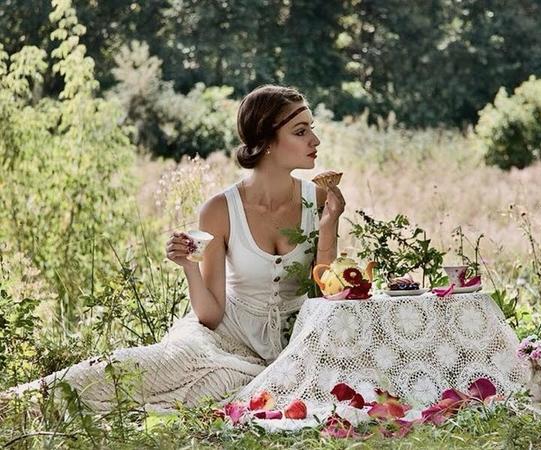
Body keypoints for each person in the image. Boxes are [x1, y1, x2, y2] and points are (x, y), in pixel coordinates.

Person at [5, 85, 346, 412]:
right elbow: (210, 315)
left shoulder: (317, 200)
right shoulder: (219, 210)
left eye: (311, 129)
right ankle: (22, 401)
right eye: (301, 131)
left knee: (214, 391)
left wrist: (329, 227)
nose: (315, 140)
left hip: (294, 350)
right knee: (161, 366)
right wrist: (188, 266)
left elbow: (324, 297)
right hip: (225, 342)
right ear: (267, 140)